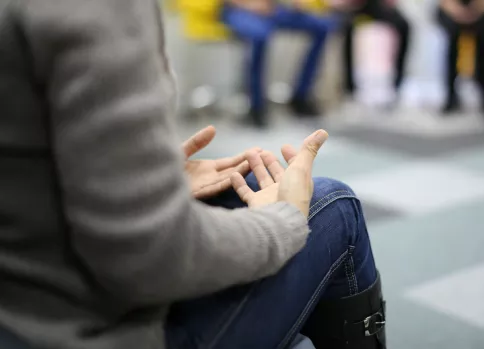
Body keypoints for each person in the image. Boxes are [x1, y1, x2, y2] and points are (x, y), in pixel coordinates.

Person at [0, 1, 386, 349]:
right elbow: (149, 260)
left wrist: (141, 179)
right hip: (70, 329)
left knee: (246, 184)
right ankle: (257, 109)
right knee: (333, 206)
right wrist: (282, 223)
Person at [221, 0, 334, 128]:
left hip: (273, 8)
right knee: (259, 35)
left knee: (322, 27)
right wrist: (250, 5)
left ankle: (301, 97)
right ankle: (256, 106)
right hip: (239, 9)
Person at [337, 0, 411, 106]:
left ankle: (397, 80)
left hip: (379, 7)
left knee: (404, 25)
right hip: (360, 7)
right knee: (347, 28)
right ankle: (349, 84)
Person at [437, 0, 484, 115]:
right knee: (452, 40)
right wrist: (458, 11)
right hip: (453, 9)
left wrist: (476, 10)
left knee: (482, 40)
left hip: (481, 8)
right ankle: (450, 95)